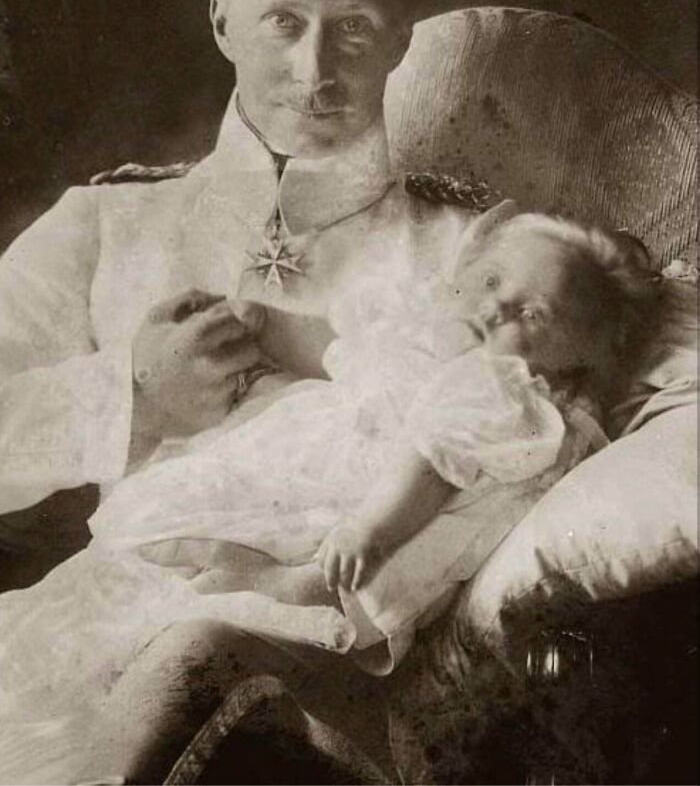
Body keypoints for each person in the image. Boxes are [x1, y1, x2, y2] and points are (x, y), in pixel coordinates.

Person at [0, 0, 691, 786]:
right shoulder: (106, 223)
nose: (316, 71)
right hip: (79, 643)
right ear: (221, 22)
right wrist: (129, 396)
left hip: (330, 692)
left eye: (354, 30)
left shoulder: (479, 255)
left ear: (402, 40)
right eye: (282, 23)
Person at [0, 201, 660, 785]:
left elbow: (431, 461)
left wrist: (371, 528)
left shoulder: (496, 390)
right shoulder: (425, 339)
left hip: (346, 508)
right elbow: (340, 345)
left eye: (531, 314)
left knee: (197, 590)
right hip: (296, 470)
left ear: (573, 360)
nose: (495, 309)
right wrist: (242, 320)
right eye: (492, 283)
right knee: (105, 601)